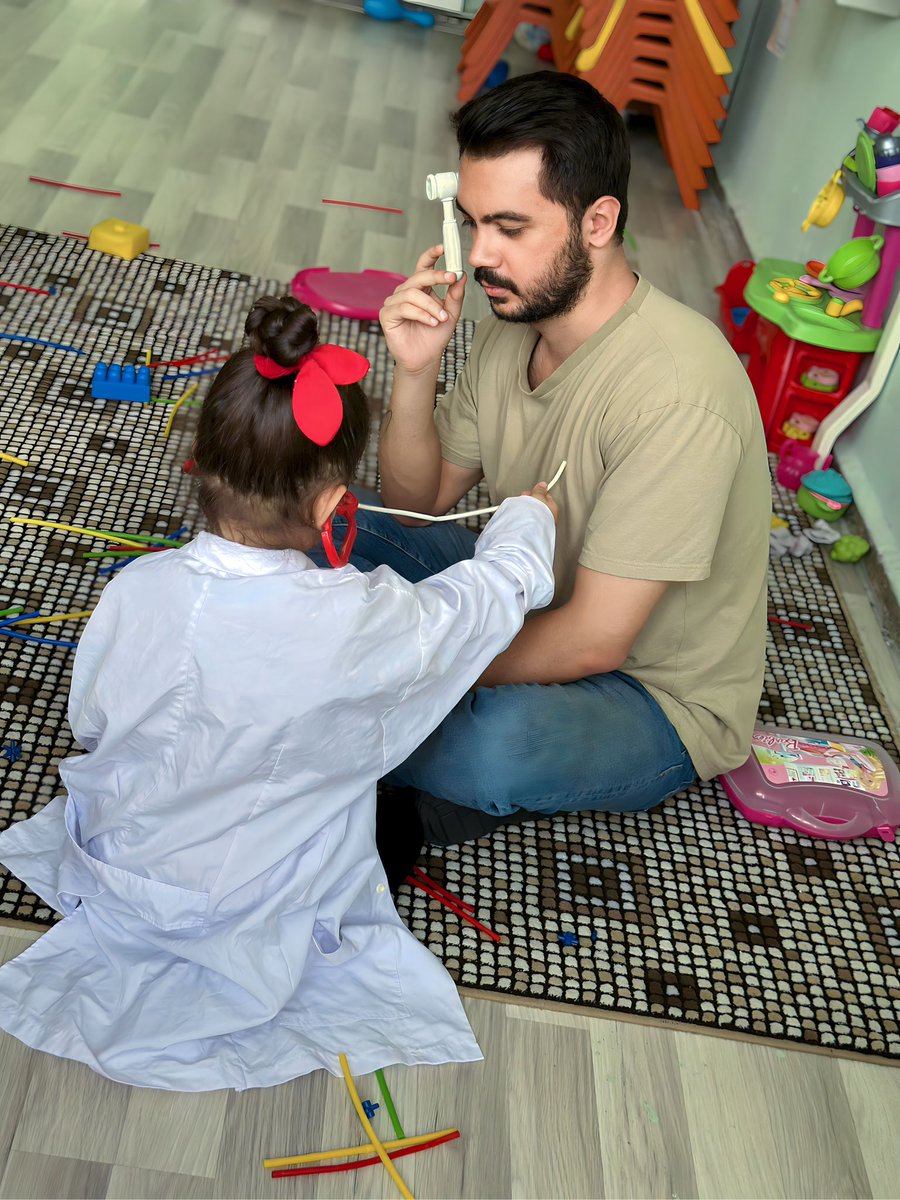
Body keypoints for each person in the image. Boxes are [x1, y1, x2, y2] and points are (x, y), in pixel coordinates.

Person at [0, 295, 558, 1092]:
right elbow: (486, 602)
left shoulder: (139, 586)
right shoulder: (359, 619)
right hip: (253, 899)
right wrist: (528, 520)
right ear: (337, 509)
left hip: (125, 852)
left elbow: (93, 719)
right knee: (399, 800)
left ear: (203, 467)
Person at [340, 70, 771, 846]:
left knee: (493, 747)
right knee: (327, 519)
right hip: (524, 593)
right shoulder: (517, 321)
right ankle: (367, 736)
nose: (480, 256)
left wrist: (414, 659)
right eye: (473, 224)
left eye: (509, 227)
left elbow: (594, 638)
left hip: (648, 687)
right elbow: (419, 503)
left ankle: (367, 742)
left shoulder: (678, 394)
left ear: (598, 221)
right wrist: (414, 370)